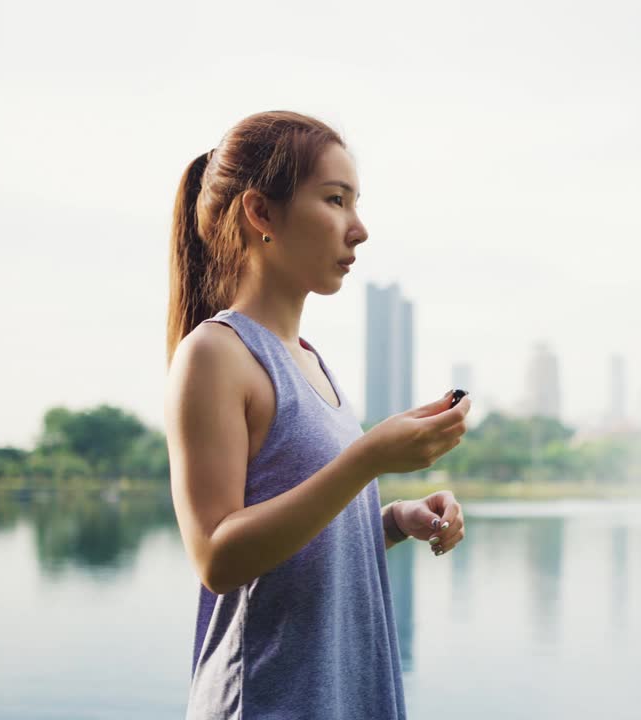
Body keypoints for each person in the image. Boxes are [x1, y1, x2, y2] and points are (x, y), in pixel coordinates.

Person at [163, 110, 471, 719]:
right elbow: (218, 557)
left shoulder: (310, 362)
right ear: (262, 214)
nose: (358, 230)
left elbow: (298, 541)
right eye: (335, 200)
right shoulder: (215, 354)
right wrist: (368, 459)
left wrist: (390, 520)